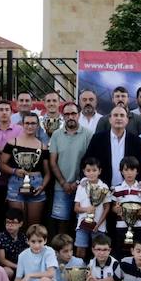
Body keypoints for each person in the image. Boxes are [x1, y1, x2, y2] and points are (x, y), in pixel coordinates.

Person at [48, 101, 93, 236]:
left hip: (84, 187)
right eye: (67, 114)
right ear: (63, 116)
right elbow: (53, 162)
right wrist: (63, 183)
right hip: (61, 187)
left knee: (83, 223)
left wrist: (78, 182)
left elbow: (90, 162)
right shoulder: (56, 134)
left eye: (73, 113)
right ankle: (62, 253)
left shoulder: (88, 134)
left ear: (79, 115)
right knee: (62, 223)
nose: (70, 116)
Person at [1, 114, 51, 226]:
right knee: (17, 223)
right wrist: (14, 171)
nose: (30, 126)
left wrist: (42, 186)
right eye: (27, 123)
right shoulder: (11, 143)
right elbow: (2, 164)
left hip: (36, 183)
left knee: (34, 224)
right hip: (15, 182)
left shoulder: (43, 147)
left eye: (33, 123)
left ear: (38, 125)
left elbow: (48, 173)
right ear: (22, 125)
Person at [84, 106, 141, 187]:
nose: (119, 118)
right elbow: (87, 160)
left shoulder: (136, 140)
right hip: (102, 189)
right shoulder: (97, 139)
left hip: (129, 190)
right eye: (115, 115)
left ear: (127, 120)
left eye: (122, 115)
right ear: (110, 119)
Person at [73, 157, 109, 259]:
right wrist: (86, 210)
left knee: (99, 253)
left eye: (94, 170)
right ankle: (79, 273)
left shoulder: (104, 187)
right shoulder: (81, 186)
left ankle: (96, 273)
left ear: (100, 171)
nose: (91, 173)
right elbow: (76, 208)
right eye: (88, 170)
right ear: (84, 171)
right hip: (82, 224)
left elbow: (107, 208)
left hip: (99, 226)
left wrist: (99, 224)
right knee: (80, 251)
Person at [0, 210, 27, 277]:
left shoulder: (23, 236)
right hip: (6, 266)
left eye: (14, 222)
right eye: (7, 222)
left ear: (20, 224)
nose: (10, 225)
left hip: (20, 263)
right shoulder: (1, 238)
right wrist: (18, 266)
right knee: (8, 271)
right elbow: (2, 260)